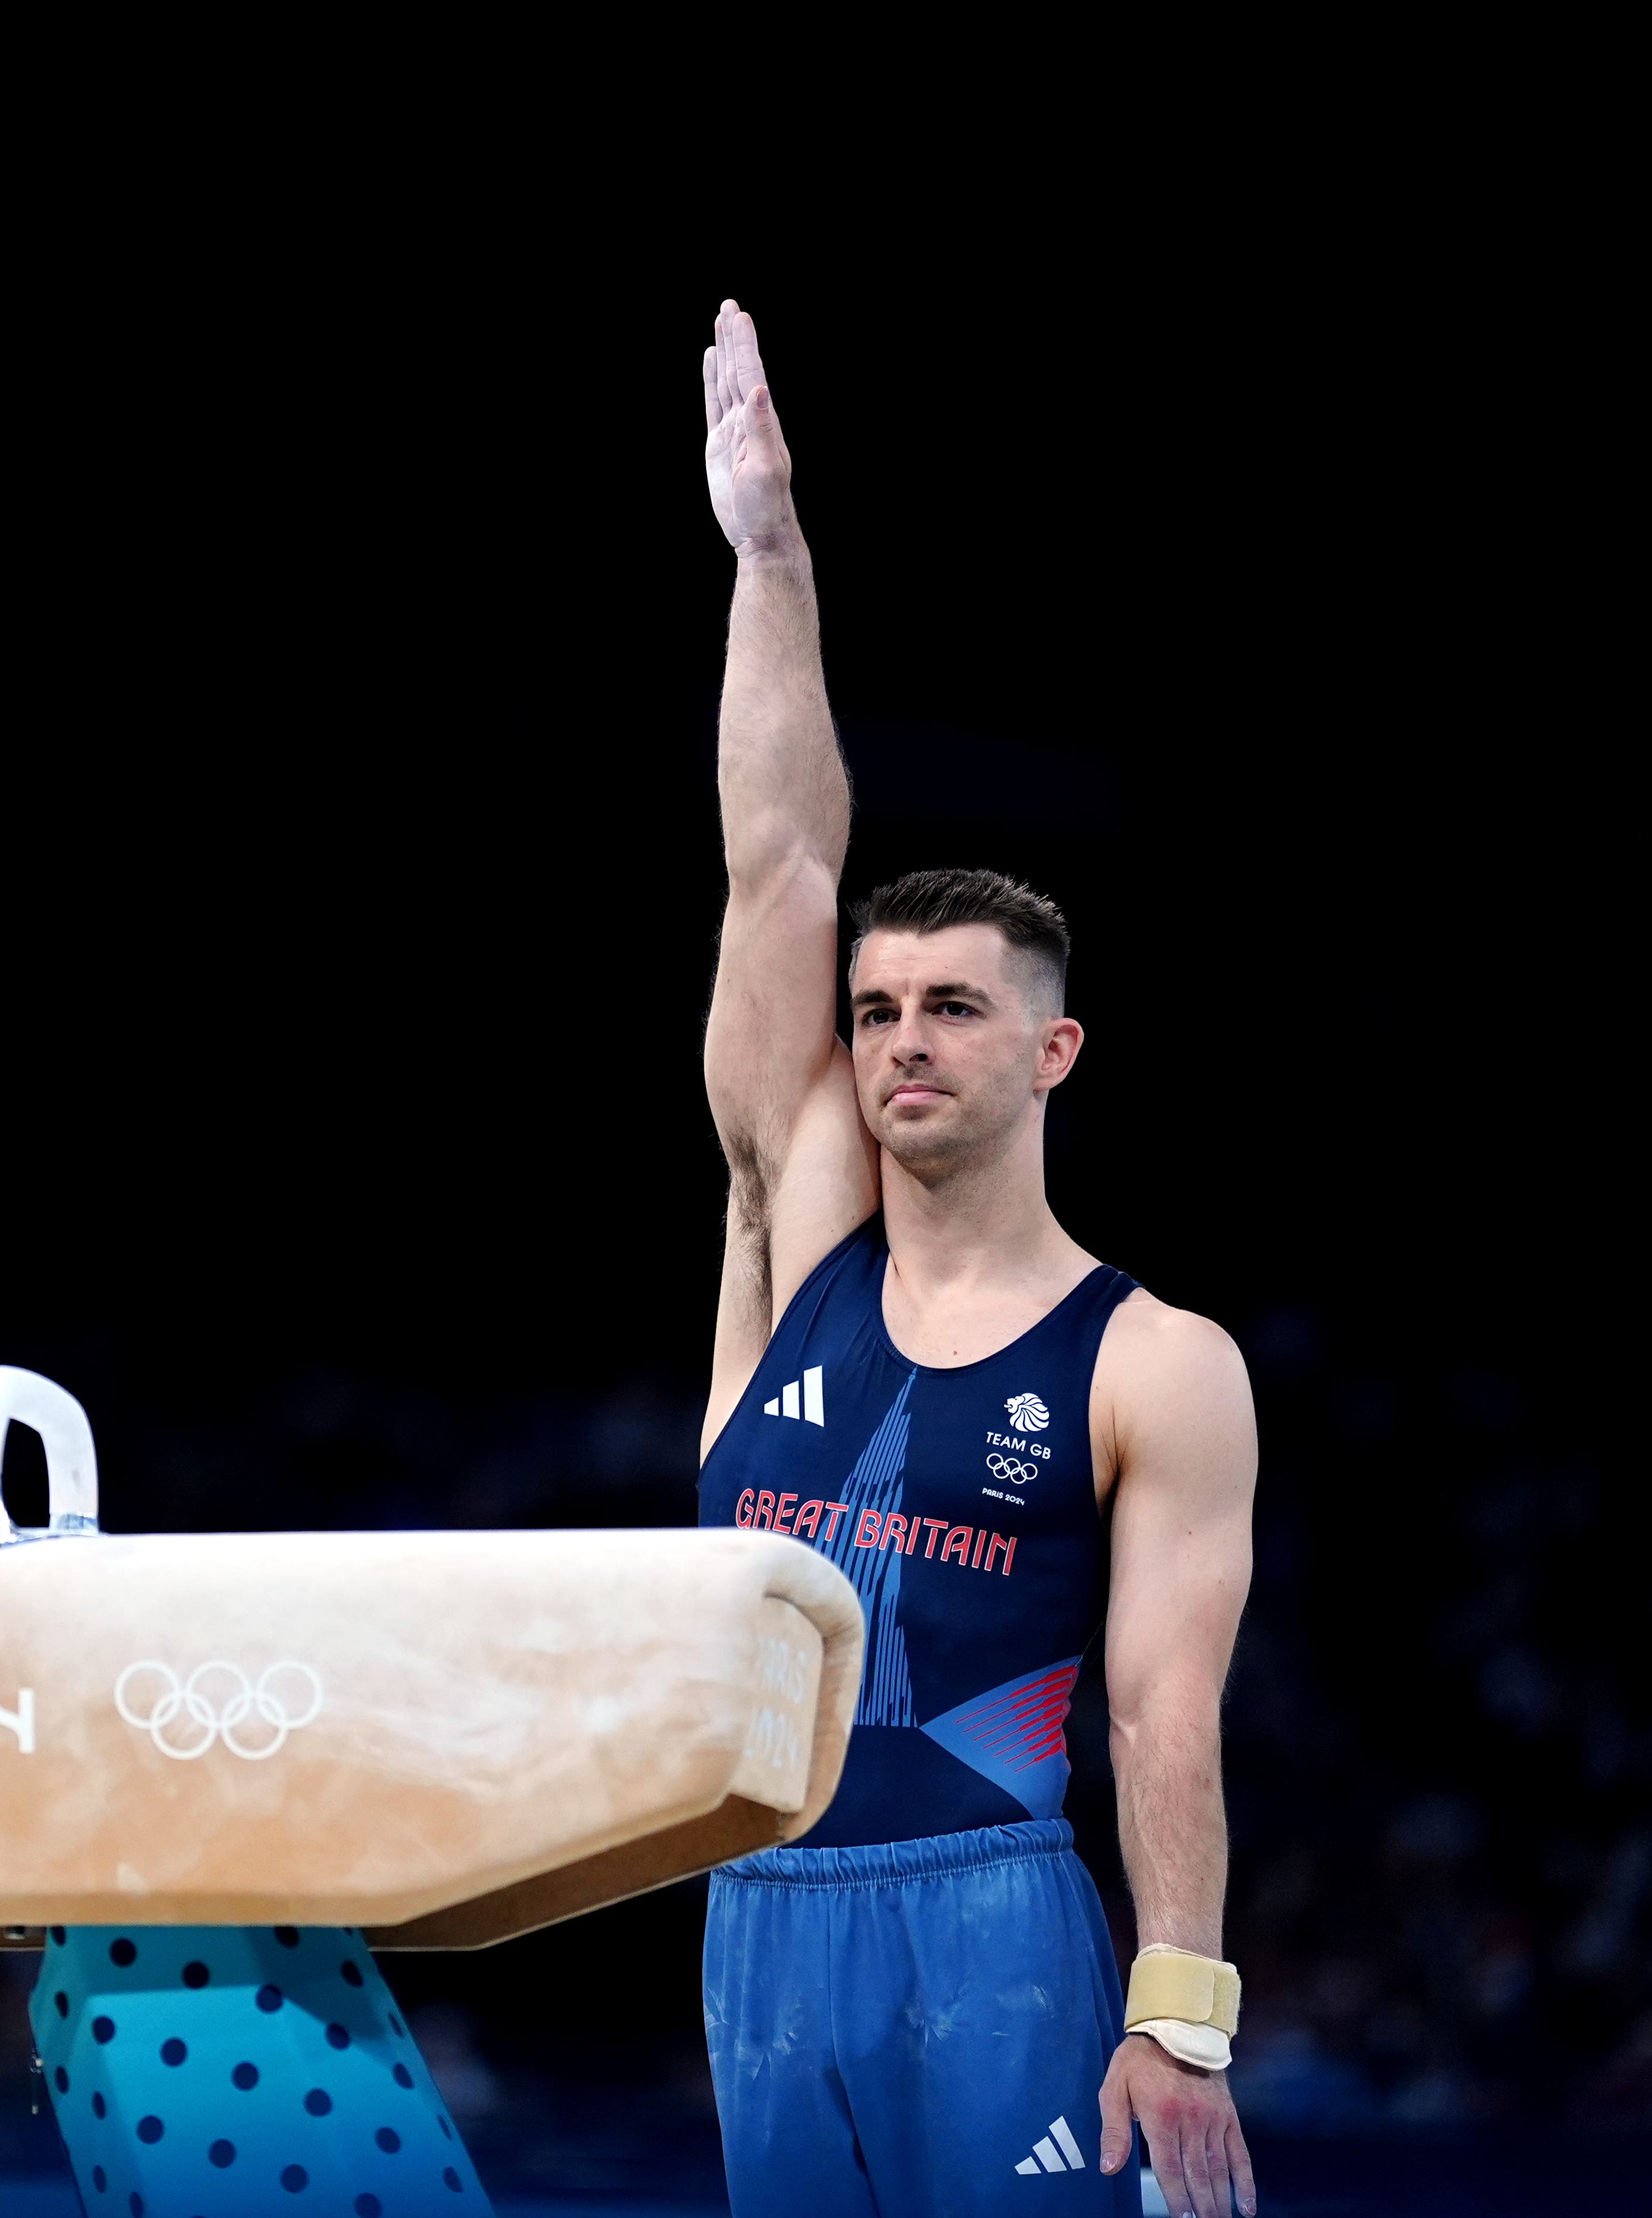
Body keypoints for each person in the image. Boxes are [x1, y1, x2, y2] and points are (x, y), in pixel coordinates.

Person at [688, 302, 1258, 2218]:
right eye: (876, 1011)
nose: (903, 1037)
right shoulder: (796, 1243)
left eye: (951, 1006)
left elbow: (1168, 1704)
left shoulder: (1154, 1361)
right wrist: (770, 552)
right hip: (754, 1925)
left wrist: (1176, 2022)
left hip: (998, 1933)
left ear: (1051, 1051)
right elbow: (777, 861)